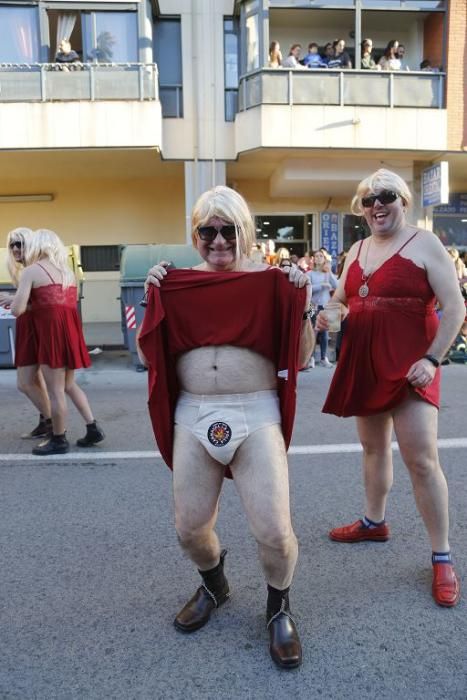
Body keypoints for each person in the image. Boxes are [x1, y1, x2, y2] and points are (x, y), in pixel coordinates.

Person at [139, 186, 314, 669]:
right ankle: (214, 585)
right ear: (195, 236)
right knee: (190, 530)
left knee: (275, 532)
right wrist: (154, 295)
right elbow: (146, 354)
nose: (219, 241)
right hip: (194, 414)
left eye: (228, 230)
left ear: (245, 231)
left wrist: (301, 301)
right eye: (207, 231)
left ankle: (278, 605)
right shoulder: (175, 283)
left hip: (255, 412)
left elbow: (300, 357)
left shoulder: (273, 281)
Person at [316, 169, 465, 607]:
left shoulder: (425, 243)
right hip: (365, 360)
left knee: (422, 460)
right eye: (368, 200)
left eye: (385, 196)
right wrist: (332, 313)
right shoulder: (358, 248)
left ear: (403, 201)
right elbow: (341, 298)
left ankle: (442, 556)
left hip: (413, 365)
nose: (376, 205)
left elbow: (455, 307)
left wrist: (432, 358)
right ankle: (374, 522)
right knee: (373, 448)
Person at [10, 229, 105, 455]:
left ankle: (59, 439)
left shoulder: (32, 271)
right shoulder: (68, 273)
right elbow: (56, 305)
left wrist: (15, 300)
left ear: (38, 246)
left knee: (55, 391)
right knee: (68, 385)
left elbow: (17, 310)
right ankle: (93, 428)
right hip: (70, 334)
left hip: (51, 336)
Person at [0, 228, 52, 438]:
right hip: (29, 326)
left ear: (31, 245)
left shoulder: (34, 268)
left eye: (20, 243)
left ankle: (53, 424)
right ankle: (46, 421)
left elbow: (49, 302)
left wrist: (13, 300)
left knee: (25, 383)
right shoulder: (27, 269)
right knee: (35, 380)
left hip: (36, 327)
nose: (15, 248)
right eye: (12, 244)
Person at [308, 250, 338, 368]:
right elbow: (308, 288)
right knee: (312, 333)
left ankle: (323, 358)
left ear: (325, 259)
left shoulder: (327, 274)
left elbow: (337, 286)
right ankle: (310, 358)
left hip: (326, 305)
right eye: (316, 256)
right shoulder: (309, 273)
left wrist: (330, 272)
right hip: (312, 305)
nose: (319, 258)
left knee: (325, 334)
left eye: (321, 256)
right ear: (313, 259)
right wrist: (322, 285)